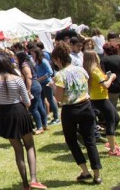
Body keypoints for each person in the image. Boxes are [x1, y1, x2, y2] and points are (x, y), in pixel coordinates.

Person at [0, 53, 46, 190]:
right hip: (20, 112)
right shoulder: (17, 79)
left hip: (5, 115)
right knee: (30, 146)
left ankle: (25, 184)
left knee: (18, 151)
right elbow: (27, 102)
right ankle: (34, 179)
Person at [51, 42, 102, 185]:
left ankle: (85, 171)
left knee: (72, 140)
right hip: (86, 106)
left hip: (70, 110)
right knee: (90, 141)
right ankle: (97, 175)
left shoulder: (60, 75)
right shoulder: (80, 69)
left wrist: (53, 87)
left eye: (54, 61)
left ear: (59, 60)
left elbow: (59, 98)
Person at [83, 50, 120, 157]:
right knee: (111, 121)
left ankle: (111, 142)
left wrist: (107, 78)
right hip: (101, 99)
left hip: (98, 98)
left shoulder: (89, 70)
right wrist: (112, 77)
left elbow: (101, 83)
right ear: (95, 57)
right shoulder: (95, 71)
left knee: (116, 118)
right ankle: (113, 150)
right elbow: (106, 85)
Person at [16, 51, 47, 135]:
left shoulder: (24, 65)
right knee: (40, 106)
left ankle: (40, 127)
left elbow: (28, 77)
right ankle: (44, 124)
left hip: (33, 87)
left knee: (33, 108)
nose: (16, 60)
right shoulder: (29, 63)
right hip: (37, 85)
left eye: (16, 58)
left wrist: (28, 89)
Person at [31, 47, 59, 125]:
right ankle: (45, 117)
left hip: (47, 83)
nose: (32, 55)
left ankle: (56, 117)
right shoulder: (36, 62)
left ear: (37, 53)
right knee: (42, 100)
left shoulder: (43, 61)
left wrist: (41, 78)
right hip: (40, 84)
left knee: (50, 99)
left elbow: (50, 72)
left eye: (33, 53)